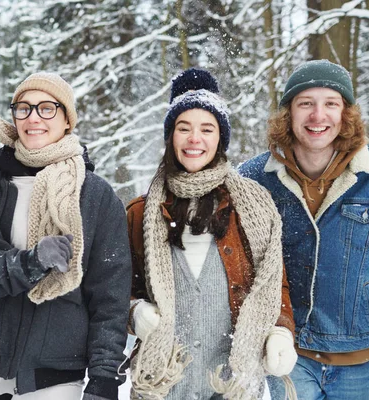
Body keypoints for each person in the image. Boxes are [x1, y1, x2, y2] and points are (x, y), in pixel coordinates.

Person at [0, 72, 131, 400]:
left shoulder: (96, 196)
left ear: (67, 121)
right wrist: (29, 264)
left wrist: (105, 377)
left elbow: (110, 297)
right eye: (24, 108)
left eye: (47, 108)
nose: (33, 117)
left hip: (56, 378)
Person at [127, 68, 297, 400]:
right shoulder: (138, 213)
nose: (195, 139)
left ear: (220, 138)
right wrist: (133, 313)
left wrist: (280, 331)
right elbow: (116, 290)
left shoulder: (252, 209)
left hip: (231, 383)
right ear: (170, 137)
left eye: (207, 128)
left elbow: (274, 284)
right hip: (162, 384)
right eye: (183, 128)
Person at [239, 59, 369, 399]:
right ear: (288, 113)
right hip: (288, 354)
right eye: (306, 104)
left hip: (357, 356)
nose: (318, 116)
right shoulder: (255, 179)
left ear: (345, 113)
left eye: (330, 104)